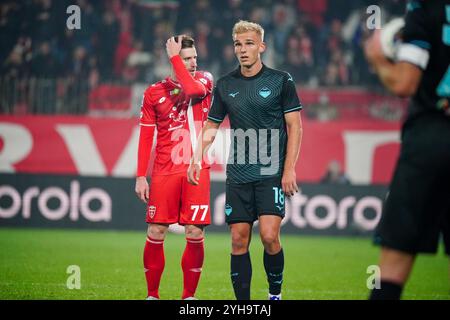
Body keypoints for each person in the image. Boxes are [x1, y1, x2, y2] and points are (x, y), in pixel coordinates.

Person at [187, 20, 303, 300]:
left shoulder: (281, 80)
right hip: (238, 172)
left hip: (271, 170)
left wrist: (289, 170)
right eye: (238, 44)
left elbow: (295, 127)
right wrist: (195, 157)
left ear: (261, 46)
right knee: (238, 240)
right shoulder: (226, 85)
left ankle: (275, 294)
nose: (243, 49)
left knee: (269, 236)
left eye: (249, 43)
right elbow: (212, 125)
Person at [364, 0, 450, 300]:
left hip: (432, 138)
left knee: (392, 266)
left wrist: (377, 58)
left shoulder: (426, 8)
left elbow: (404, 83)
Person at [135, 35, 213, 300]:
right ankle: (152, 295)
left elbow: (190, 91)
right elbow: (146, 137)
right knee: (156, 230)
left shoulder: (205, 80)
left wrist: (174, 58)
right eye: (186, 58)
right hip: (164, 171)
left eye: (194, 58)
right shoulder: (153, 92)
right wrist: (140, 176)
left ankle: (188, 297)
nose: (192, 63)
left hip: (196, 168)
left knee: (194, 231)